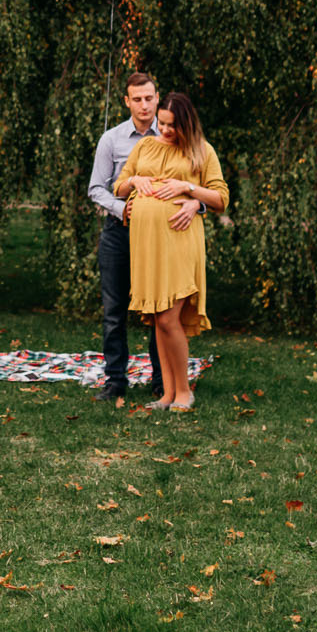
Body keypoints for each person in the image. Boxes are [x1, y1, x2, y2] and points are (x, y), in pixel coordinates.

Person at [113, 92, 226, 412]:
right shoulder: (145, 146)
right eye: (161, 123)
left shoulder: (202, 151)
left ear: (186, 124)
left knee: (169, 317)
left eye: (171, 125)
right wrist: (136, 180)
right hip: (148, 245)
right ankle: (168, 394)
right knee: (158, 320)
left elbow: (221, 198)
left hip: (179, 242)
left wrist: (188, 190)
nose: (164, 130)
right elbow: (118, 187)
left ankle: (184, 392)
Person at [85, 71, 171, 404]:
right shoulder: (112, 139)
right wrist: (123, 209)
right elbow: (96, 188)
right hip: (118, 233)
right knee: (114, 310)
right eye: (137, 99)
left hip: (159, 235)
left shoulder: (171, 135)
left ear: (157, 98)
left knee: (159, 308)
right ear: (127, 102)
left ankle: (162, 380)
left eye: (149, 98)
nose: (144, 105)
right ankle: (115, 381)